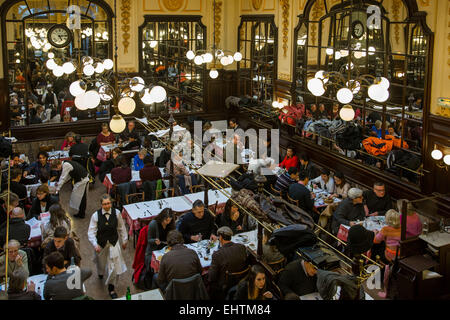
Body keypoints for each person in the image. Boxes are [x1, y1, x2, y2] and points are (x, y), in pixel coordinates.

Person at [87, 194, 127, 299]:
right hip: (101, 244)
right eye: (104, 204)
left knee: (114, 266)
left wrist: (124, 240)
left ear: (111, 203)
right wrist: (95, 245)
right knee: (101, 263)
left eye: (108, 203)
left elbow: (121, 227)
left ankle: (111, 288)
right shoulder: (95, 216)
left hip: (113, 243)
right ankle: (100, 272)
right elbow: (91, 232)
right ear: (101, 205)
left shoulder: (117, 213)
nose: (107, 206)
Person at [208, 226, 248, 300]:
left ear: (220, 238)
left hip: (225, 285)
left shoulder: (217, 254)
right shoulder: (242, 247)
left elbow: (211, 277)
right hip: (241, 279)